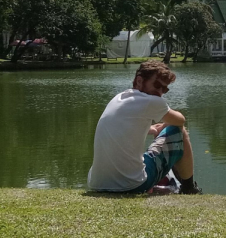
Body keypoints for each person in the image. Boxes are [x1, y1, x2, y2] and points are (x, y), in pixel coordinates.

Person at [87, 61, 202, 195]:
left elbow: (124, 126)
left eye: (164, 89)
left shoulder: (118, 98)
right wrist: (166, 125)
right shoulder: (151, 101)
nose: (160, 92)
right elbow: (180, 120)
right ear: (140, 81)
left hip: (97, 184)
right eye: (157, 85)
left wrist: (151, 129)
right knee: (179, 131)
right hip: (132, 186)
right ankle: (189, 188)